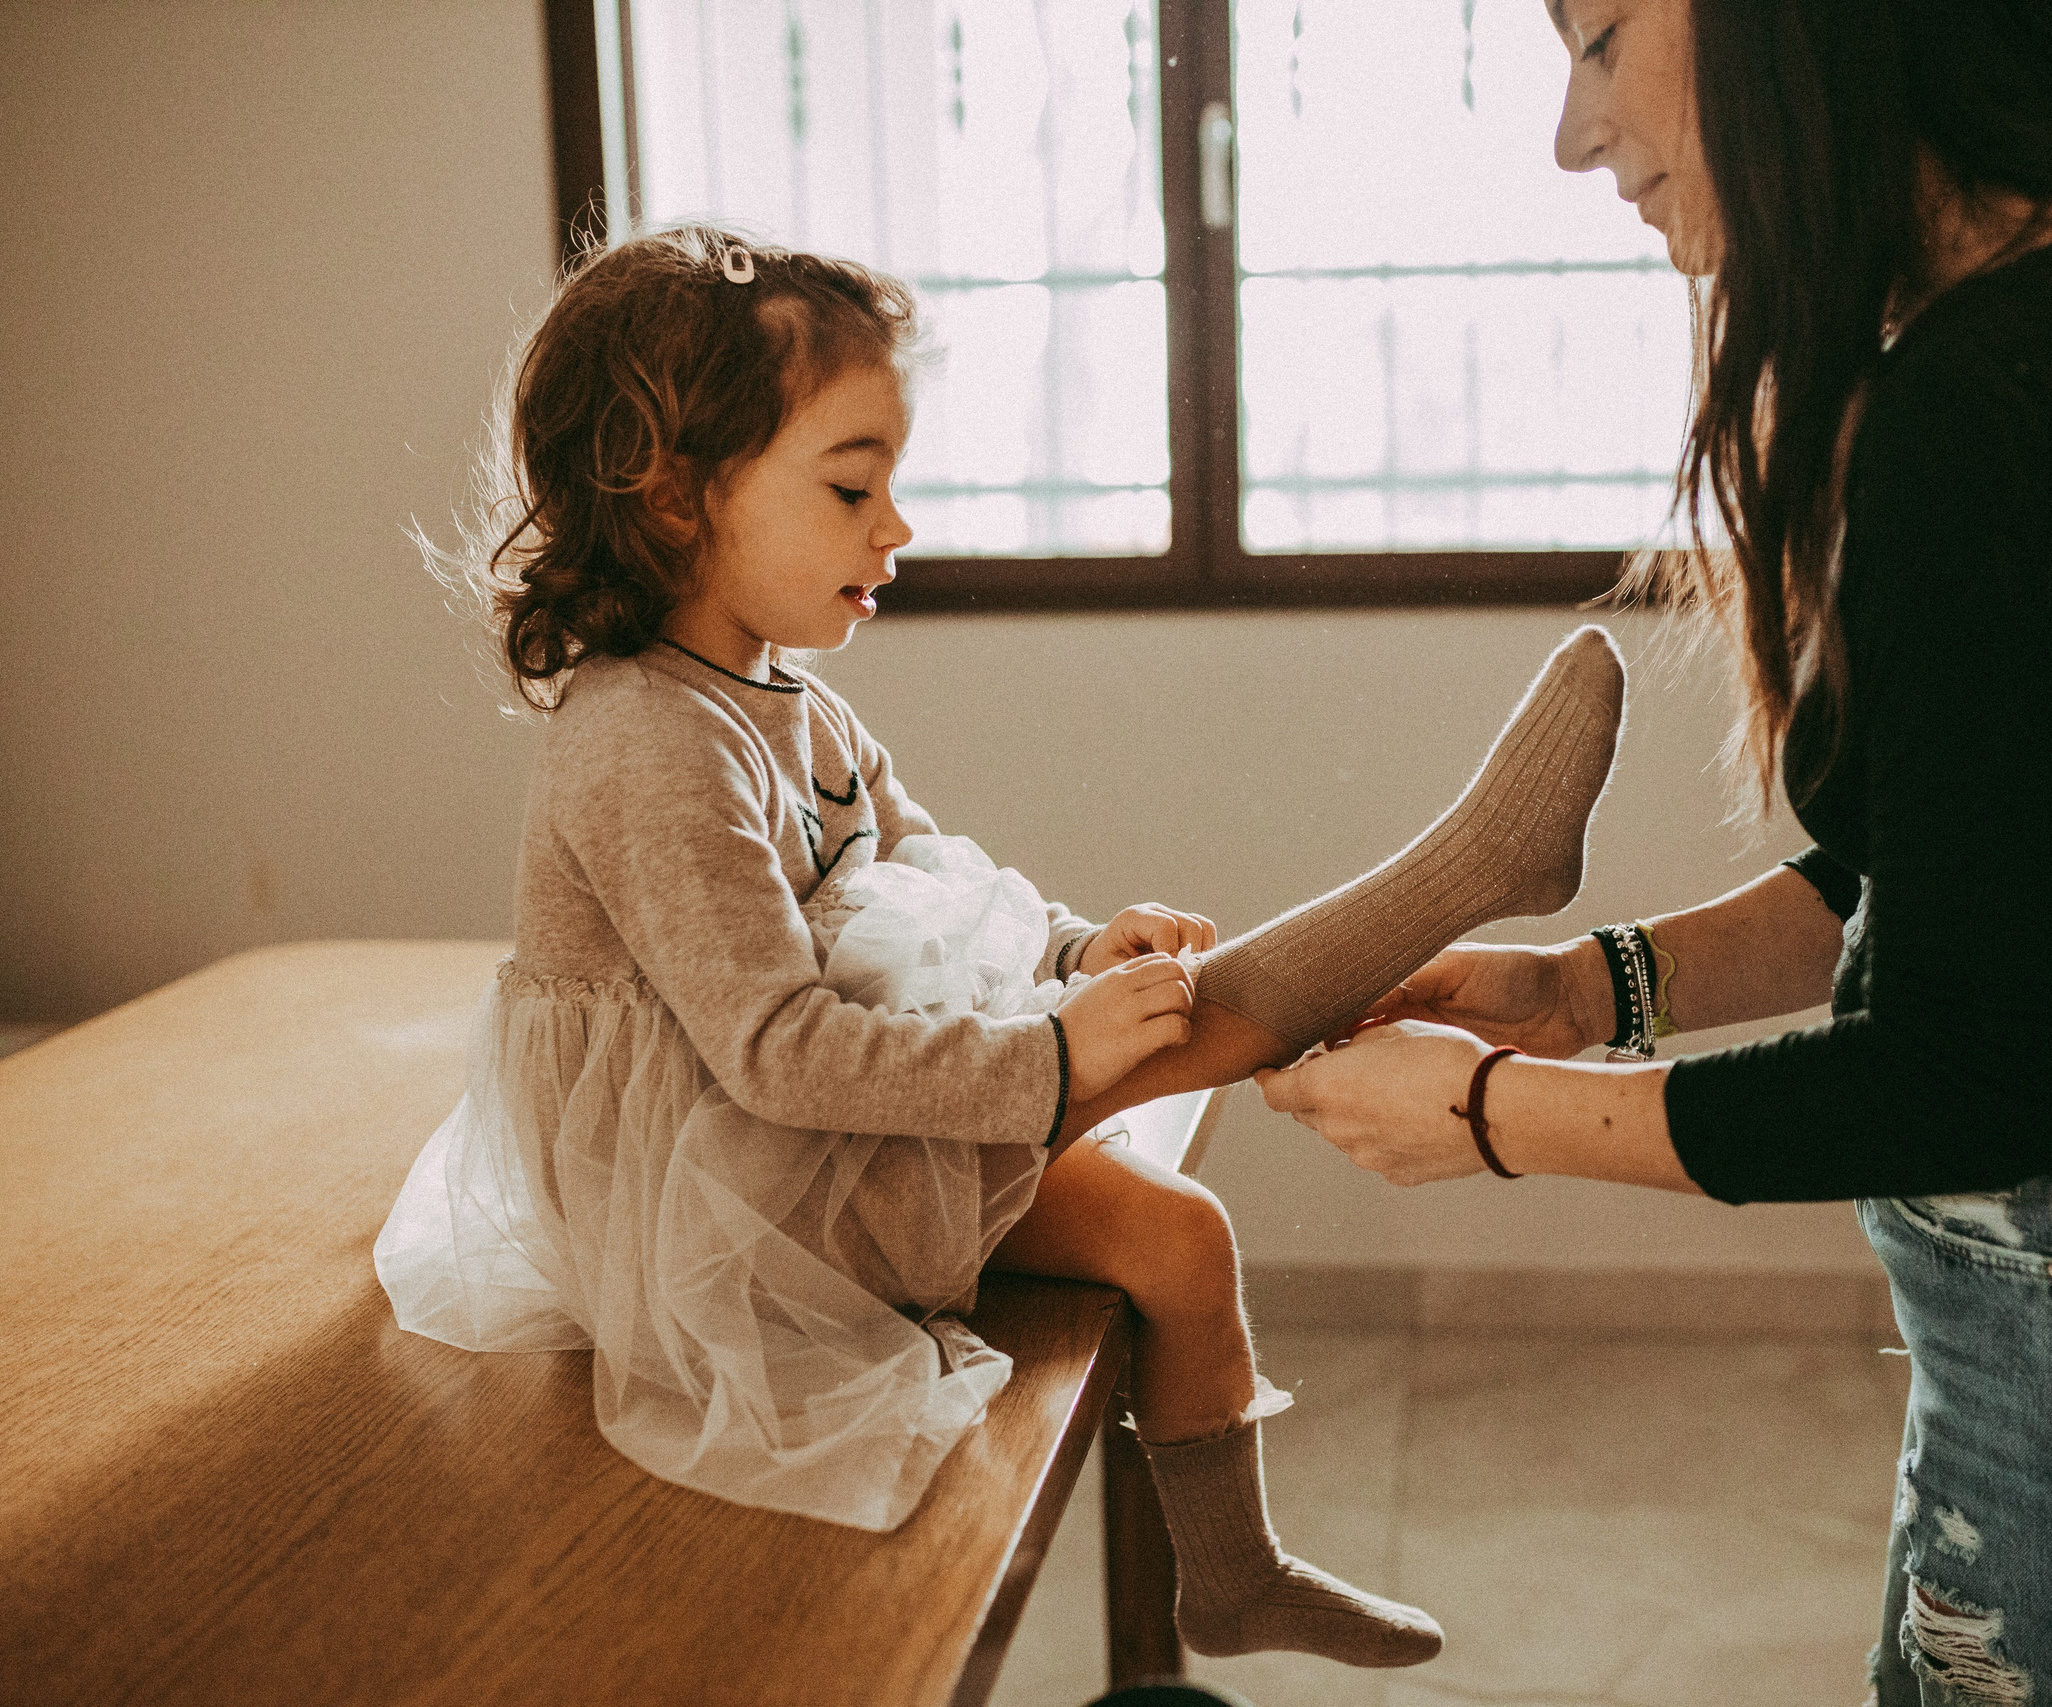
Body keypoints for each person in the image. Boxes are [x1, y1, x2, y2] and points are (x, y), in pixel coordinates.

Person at [1260, 1, 2052, 1700]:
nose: (1575, 138)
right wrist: (1588, 993)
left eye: (1601, 39)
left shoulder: (2009, 393)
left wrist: (1484, 1119)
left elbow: (1965, 1070)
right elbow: (1951, 872)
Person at [375, 224, 1627, 1668]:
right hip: (733, 1199)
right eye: (851, 486)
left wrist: (1080, 955)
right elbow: (775, 1052)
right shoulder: (644, 741)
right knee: (1185, 1041)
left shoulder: (792, 700)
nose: (894, 526)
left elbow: (926, 876)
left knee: (1181, 1236)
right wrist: (1053, 1061)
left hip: (820, 1141)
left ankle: (1233, 1578)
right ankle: (1469, 874)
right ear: (673, 496)